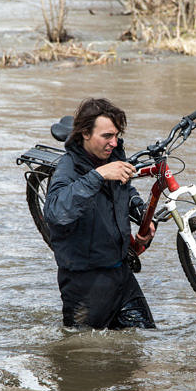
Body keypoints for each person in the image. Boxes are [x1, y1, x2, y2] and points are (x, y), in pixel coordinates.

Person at [44, 98, 156, 330]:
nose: (114, 143)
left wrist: (141, 212)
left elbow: (125, 189)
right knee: (80, 355)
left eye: (116, 135)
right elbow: (55, 212)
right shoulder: (67, 168)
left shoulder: (112, 156)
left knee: (144, 343)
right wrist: (99, 175)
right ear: (85, 133)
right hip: (84, 284)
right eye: (107, 136)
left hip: (122, 276)